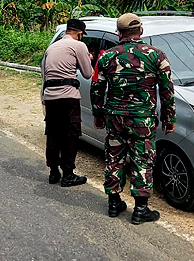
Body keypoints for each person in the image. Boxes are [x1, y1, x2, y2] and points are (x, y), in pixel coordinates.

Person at [90, 13, 176, 224]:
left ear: (119, 33)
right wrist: (169, 117)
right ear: (141, 31)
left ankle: (113, 203)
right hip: (143, 120)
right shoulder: (157, 55)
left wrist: (98, 114)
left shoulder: (107, 56)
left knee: (114, 158)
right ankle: (140, 209)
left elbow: (96, 88)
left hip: (115, 118)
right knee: (142, 160)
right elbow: (167, 90)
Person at [41, 19, 93, 187]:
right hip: (68, 97)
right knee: (70, 135)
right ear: (79, 34)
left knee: (53, 134)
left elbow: (44, 74)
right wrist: (88, 58)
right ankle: (68, 174)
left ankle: (53, 172)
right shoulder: (79, 46)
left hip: (50, 96)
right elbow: (87, 73)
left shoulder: (52, 47)